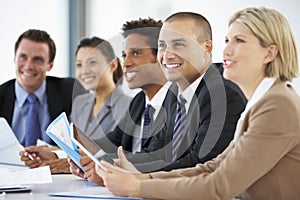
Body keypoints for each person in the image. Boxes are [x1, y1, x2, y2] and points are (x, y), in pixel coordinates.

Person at [96, 7, 300, 199]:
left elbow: (219, 184)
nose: (226, 50)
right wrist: (141, 178)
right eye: (227, 40)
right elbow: (212, 168)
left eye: (239, 41)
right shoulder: (262, 101)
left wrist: (138, 187)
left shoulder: (277, 105)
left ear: (269, 53)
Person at [69, 17, 175, 183]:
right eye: (124, 55)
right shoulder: (139, 102)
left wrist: (106, 170)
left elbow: (153, 160)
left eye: (136, 53)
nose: (125, 63)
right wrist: (69, 156)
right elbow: (109, 143)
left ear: (161, 56)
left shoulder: (177, 104)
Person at [19, 37, 131, 174]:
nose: (85, 71)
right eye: (79, 65)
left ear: (113, 65)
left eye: (92, 62)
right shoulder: (80, 103)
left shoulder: (129, 107)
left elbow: (116, 154)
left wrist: (62, 161)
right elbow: (74, 148)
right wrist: (53, 153)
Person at [0, 29, 85, 147]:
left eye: (37, 59)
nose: (28, 66)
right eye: (23, 57)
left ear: (50, 65)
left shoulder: (70, 91)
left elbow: (81, 145)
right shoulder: (1, 95)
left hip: (54, 163)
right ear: (14, 59)